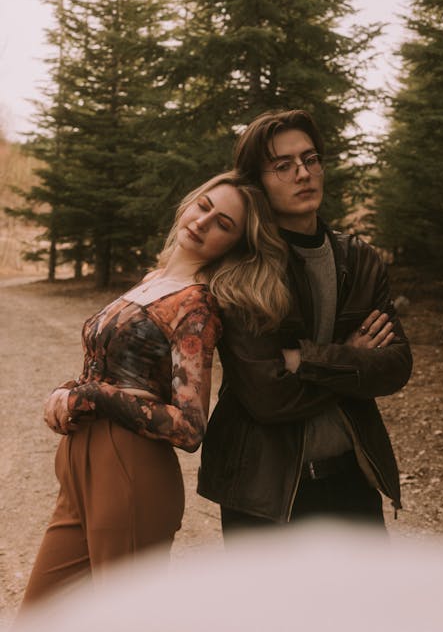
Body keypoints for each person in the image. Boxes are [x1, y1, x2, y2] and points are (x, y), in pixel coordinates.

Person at [21, 172, 290, 605]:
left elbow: (190, 427)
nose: (203, 223)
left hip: (129, 471)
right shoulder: (152, 279)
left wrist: (91, 396)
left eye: (223, 224)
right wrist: (71, 389)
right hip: (80, 468)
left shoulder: (195, 307)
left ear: (235, 246)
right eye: (204, 206)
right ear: (188, 203)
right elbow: (114, 368)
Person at [197, 109, 413, 532]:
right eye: (283, 165)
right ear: (257, 182)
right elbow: (268, 396)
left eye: (310, 159)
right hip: (262, 491)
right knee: (273, 602)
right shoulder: (242, 270)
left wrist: (306, 361)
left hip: (353, 478)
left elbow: (395, 366)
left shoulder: (360, 260)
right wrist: (352, 358)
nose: (303, 173)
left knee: (366, 600)